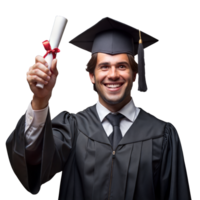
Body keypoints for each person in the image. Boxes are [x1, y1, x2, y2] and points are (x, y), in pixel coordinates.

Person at [4, 16, 193, 200]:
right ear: (91, 76)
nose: (112, 75)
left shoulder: (164, 135)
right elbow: (32, 165)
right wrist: (40, 99)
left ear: (135, 75)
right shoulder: (71, 127)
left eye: (121, 66)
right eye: (104, 67)